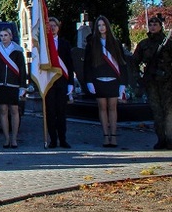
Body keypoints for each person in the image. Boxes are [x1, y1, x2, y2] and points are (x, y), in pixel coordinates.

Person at [84, 15, 129, 147]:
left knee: (113, 107)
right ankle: (105, 135)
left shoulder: (115, 42)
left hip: (113, 79)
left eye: (103, 25)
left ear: (107, 26)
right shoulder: (92, 43)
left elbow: (122, 64)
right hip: (98, 80)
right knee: (102, 107)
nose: (101, 28)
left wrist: (123, 83)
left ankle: (113, 136)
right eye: (99, 25)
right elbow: (87, 64)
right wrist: (88, 81)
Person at [132, 15, 170, 149]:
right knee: (157, 112)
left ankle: (170, 139)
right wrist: (138, 78)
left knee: (169, 112)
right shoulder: (144, 44)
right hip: (151, 83)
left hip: (168, 83)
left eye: (155, 24)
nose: (153, 27)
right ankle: (161, 139)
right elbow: (134, 62)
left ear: (161, 26)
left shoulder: (168, 43)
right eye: (151, 25)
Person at [0, 27, 26, 148]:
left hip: (14, 85)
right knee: (3, 110)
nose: (3, 38)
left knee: (14, 110)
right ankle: (6, 138)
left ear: (10, 36)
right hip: (0, 85)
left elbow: (23, 70)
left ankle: (14, 138)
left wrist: (23, 86)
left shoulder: (18, 51)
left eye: (5, 35)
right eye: (1, 36)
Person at [45, 17, 75, 149]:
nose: (52, 28)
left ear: (58, 27)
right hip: (49, 83)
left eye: (54, 26)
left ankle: (63, 139)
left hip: (62, 82)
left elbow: (69, 64)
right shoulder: (44, 45)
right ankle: (53, 140)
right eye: (50, 26)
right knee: (50, 113)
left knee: (61, 112)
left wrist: (71, 83)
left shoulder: (65, 44)